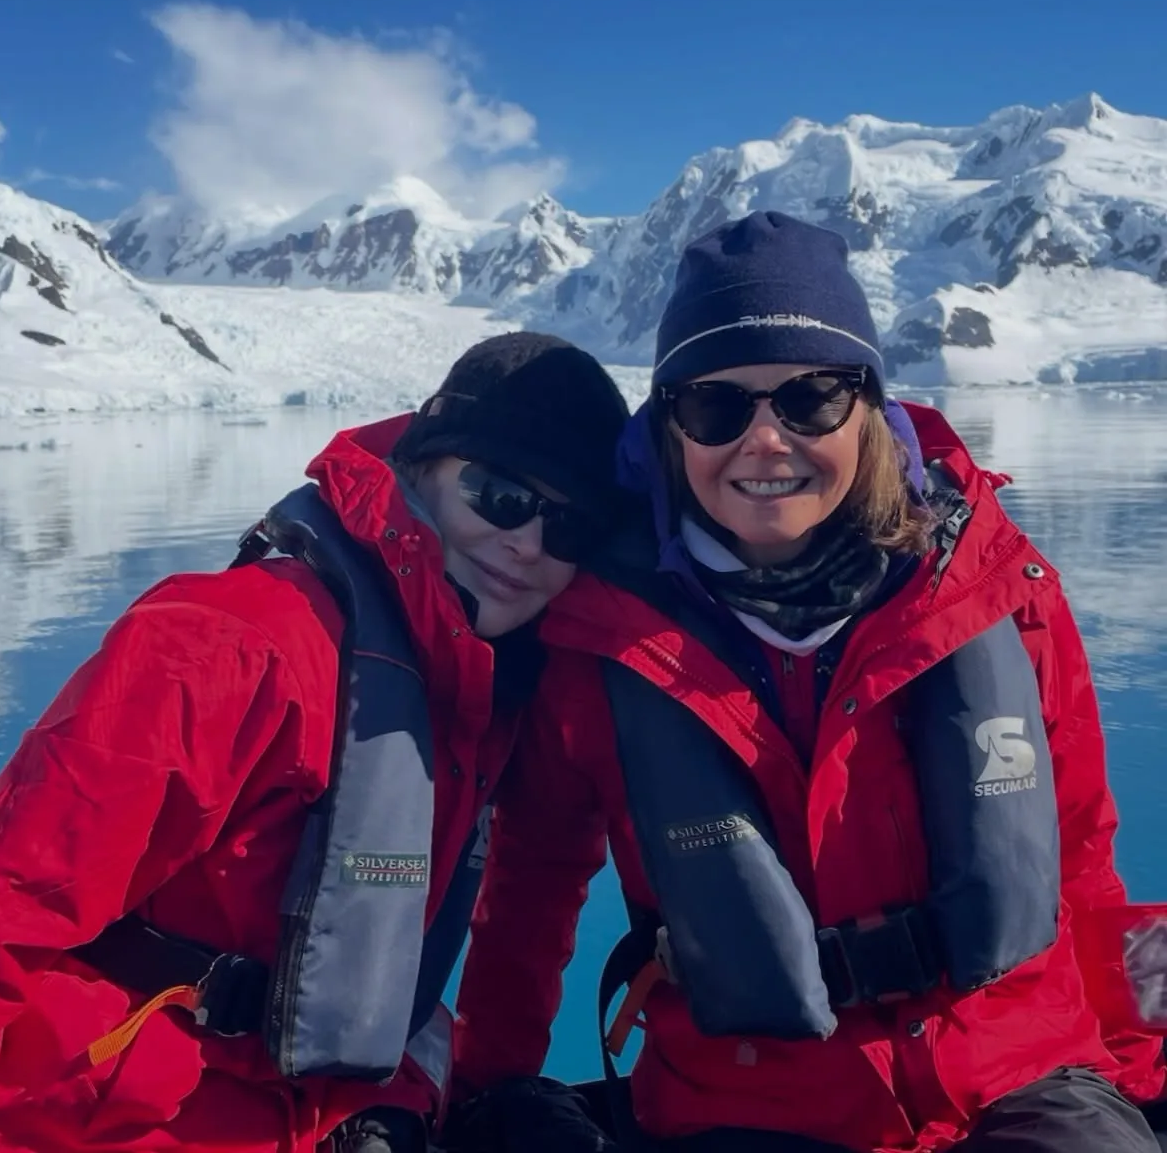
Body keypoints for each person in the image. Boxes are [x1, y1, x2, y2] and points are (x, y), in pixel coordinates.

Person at [449, 212, 1165, 1153]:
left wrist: (1131, 1075)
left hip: (1020, 1074)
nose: (764, 439)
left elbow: (1079, 852)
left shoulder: (1000, 590)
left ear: (868, 409)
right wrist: (484, 1095)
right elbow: (531, 893)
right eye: (715, 407)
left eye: (811, 398)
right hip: (744, 1102)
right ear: (669, 428)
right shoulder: (600, 641)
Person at [0, 331, 629, 1153]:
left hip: (316, 1113)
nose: (528, 543)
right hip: (107, 1124)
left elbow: (530, 908)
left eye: (567, 528)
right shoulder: (230, 648)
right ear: (423, 468)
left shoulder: (494, 687)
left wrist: (492, 1097)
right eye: (499, 496)